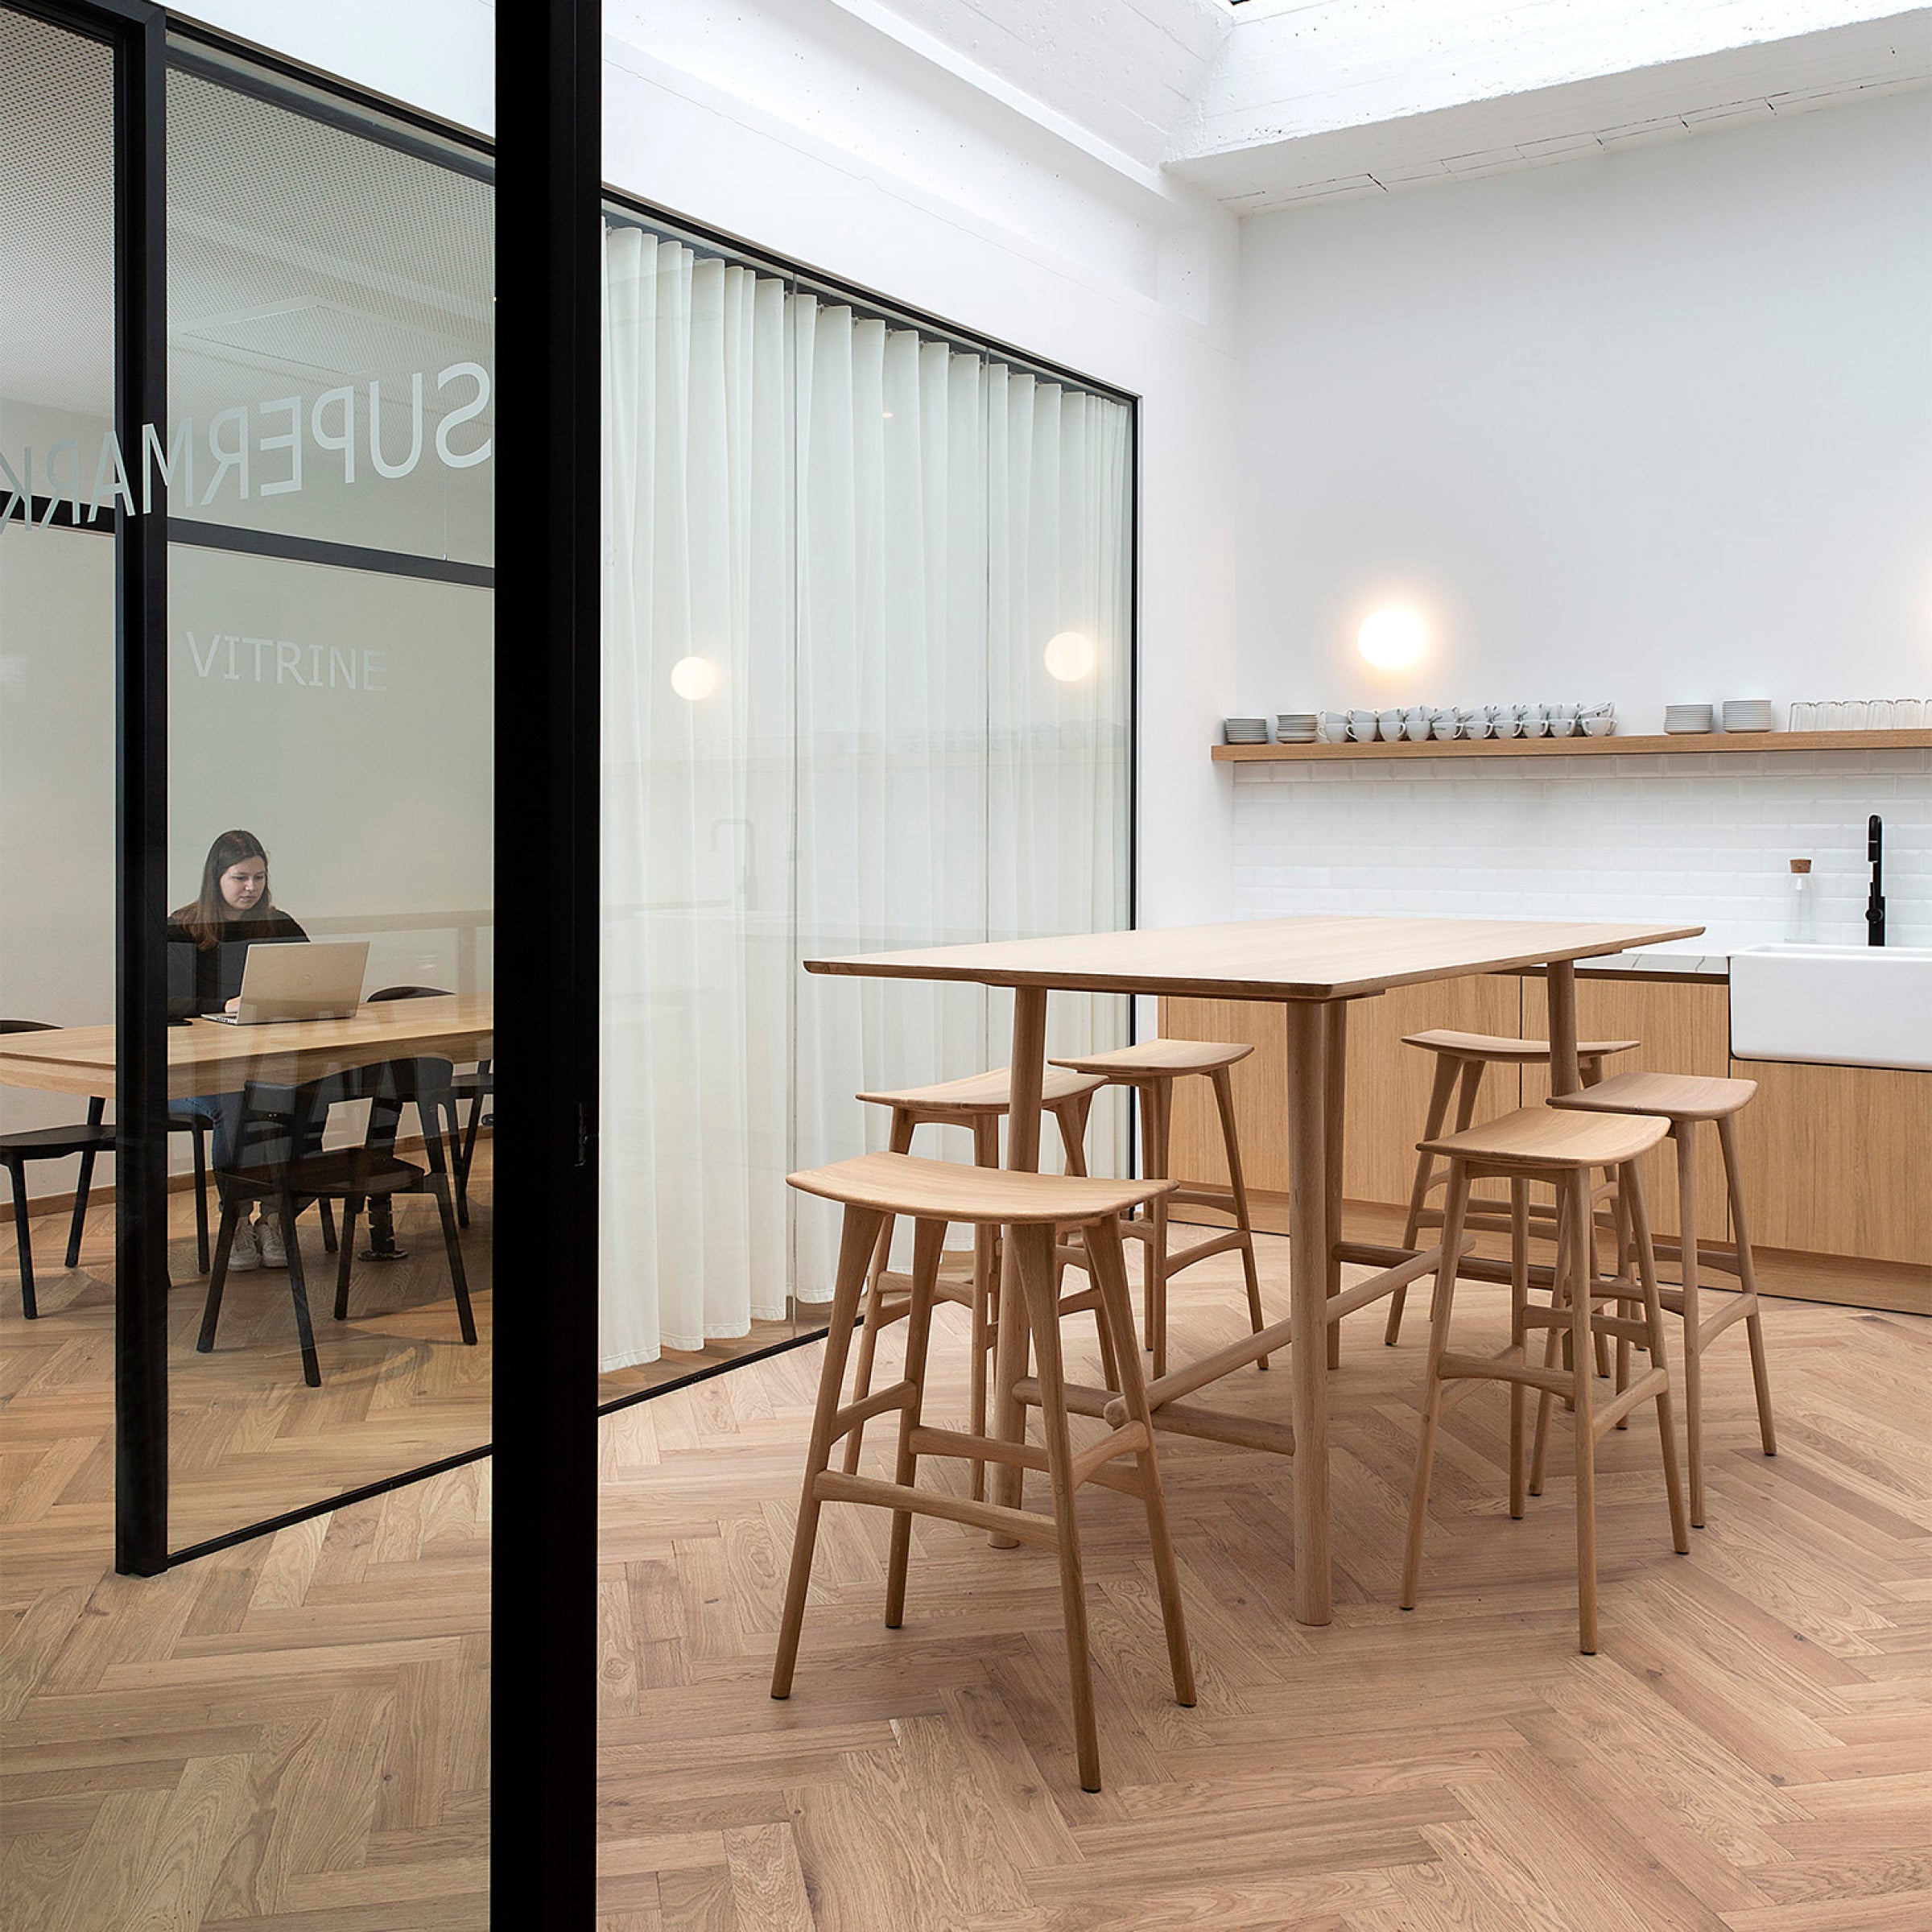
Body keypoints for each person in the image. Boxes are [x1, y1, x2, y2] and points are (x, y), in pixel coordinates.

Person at [169, 831, 310, 1273]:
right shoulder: (183, 928)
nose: (251, 887)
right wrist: (219, 1007)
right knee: (236, 1097)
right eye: (240, 877)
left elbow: (311, 979)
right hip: (190, 1073)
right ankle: (236, 1217)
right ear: (217, 878)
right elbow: (155, 1002)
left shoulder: (279, 925)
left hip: (266, 1064)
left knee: (307, 1092)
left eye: (259, 877)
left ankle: (274, 1214)